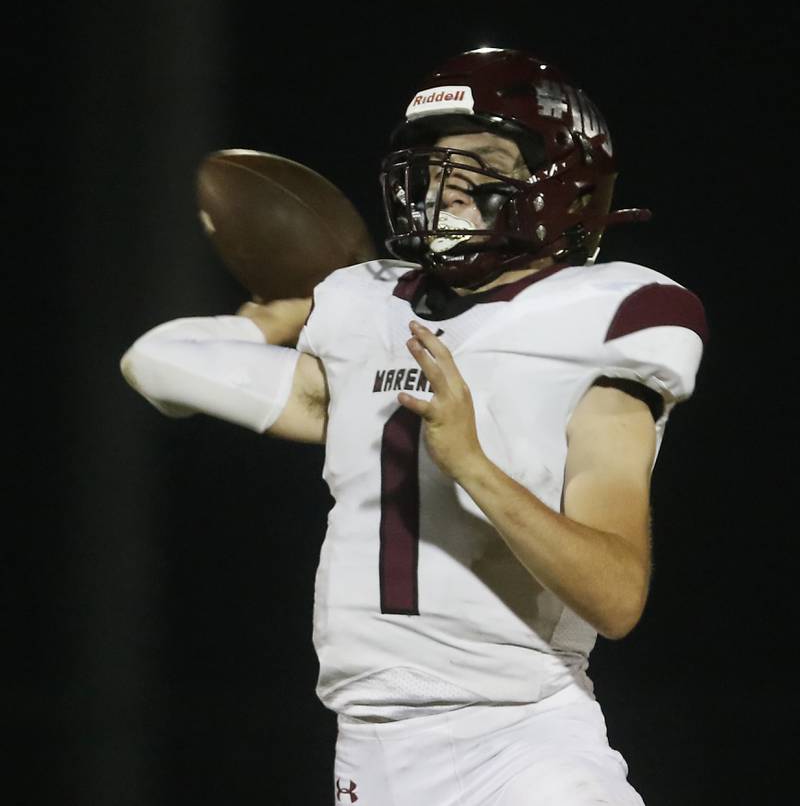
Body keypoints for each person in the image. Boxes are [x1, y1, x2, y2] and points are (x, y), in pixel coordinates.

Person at [121, 48, 706, 805]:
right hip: (371, 753)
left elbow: (617, 596)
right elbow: (155, 362)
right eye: (436, 161)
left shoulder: (611, 313)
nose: (448, 181)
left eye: (484, 158)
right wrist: (276, 317)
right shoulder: (364, 309)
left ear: (561, 186)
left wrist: (473, 466)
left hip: (522, 747)